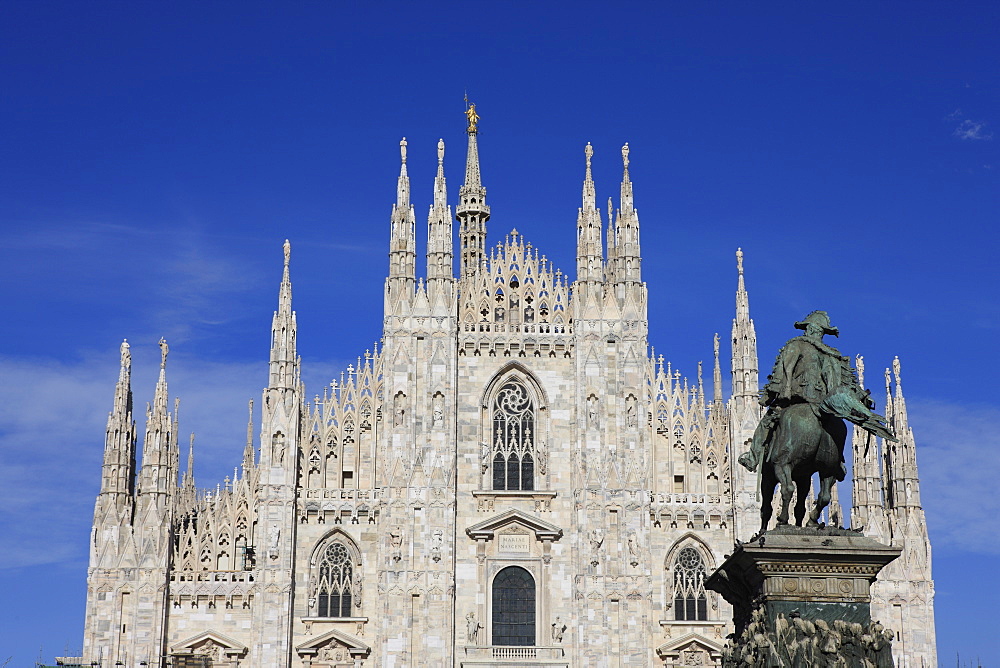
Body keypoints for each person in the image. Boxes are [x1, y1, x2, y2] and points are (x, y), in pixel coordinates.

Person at [738, 311, 893, 474]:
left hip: (797, 398)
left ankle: (752, 458)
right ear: (821, 332)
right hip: (822, 403)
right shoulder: (832, 354)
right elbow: (847, 383)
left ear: (809, 329)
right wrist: (862, 398)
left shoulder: (795, 345)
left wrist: (770, 395)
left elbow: (782, 372)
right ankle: (837, 462)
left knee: (766, 422)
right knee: (834, 428)